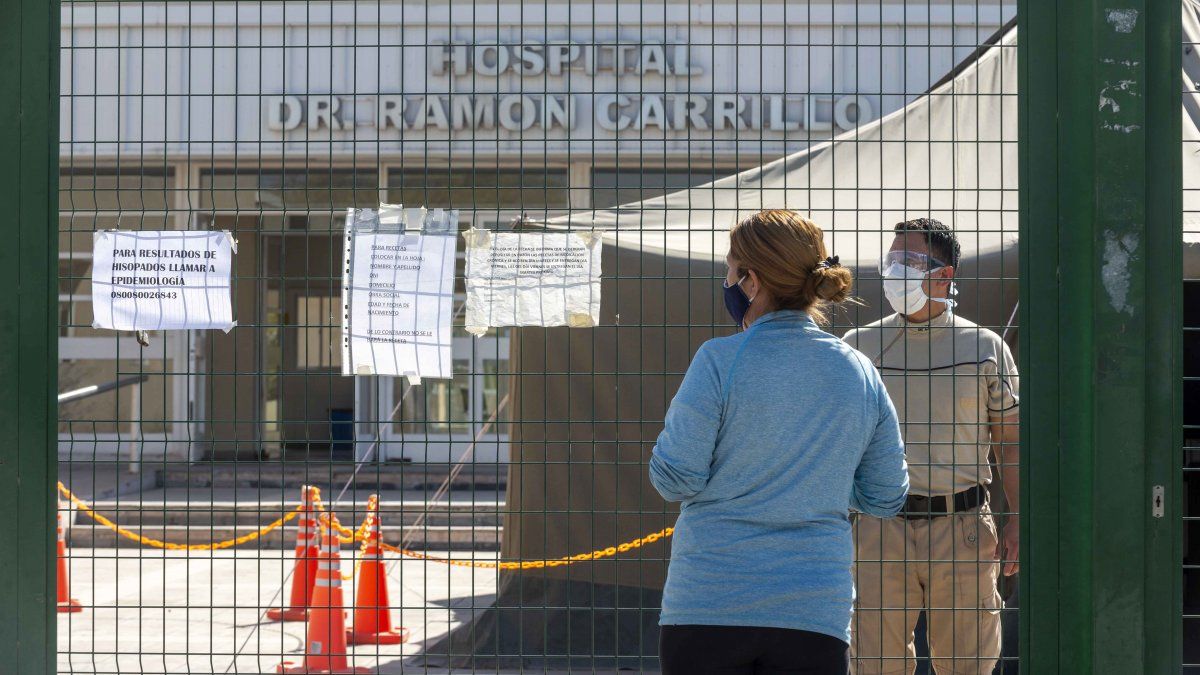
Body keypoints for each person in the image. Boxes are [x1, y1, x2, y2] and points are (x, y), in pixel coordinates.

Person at [649, 209, 910, 675]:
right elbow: (887, 495)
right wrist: (821, 483)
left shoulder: (718, 360)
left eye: (730, 269)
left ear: (750, 281)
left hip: (709, 600)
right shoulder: (858, 371)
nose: (727, 280)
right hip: (814, 610)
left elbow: (676, 478)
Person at [843, 218, 1019, 675]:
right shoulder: (857, 348)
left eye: (910, 260)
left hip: (960, 530)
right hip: (878, 529)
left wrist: (1018, 516)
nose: (894, 270)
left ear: (944, 274)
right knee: (875, 666)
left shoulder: (986, 348)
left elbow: (1011, 442)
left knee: (968, 665)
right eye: (892, 259)